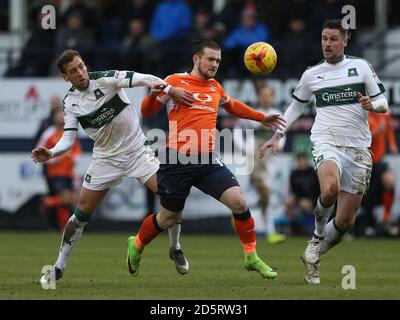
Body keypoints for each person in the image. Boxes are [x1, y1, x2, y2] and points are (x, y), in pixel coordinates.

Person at [126, 38, 285, 279]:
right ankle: (136, 244)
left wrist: (261, 118)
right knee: (168, 217)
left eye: (218, 61)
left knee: (240, 202)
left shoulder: (215, 87)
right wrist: (151, 95)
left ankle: (251, 256)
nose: (214, 65)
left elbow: (232, 106)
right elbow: (148, 111)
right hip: (177, 160)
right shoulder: (174, 82)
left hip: (208, 160)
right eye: (210, 59)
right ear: (196, 59)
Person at [33, 49, 194, 284]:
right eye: (73, 71)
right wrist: (52, 152)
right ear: (65, 77)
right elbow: (68, 138)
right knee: (80, 216)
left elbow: (147, 79)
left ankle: (175, 247)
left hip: (138, 152)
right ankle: (58, 267)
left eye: (81, 66)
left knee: (172, 195)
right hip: (105, 159)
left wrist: (169, 89)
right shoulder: (71, 102)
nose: (80, 73)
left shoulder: (107, 79)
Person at [260, 19, 389, 284]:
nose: (327, 44)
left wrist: (371, 104)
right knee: (329, 189)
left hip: (357, 149)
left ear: (345, 40)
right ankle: (317, 236)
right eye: (324, 38)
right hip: (325, 140)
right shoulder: (311, 74)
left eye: (332, 39)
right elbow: (296, 107)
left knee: (344, 223)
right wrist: (277, 135)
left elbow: (383, 102)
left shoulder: (360, 67)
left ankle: (314, 254)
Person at [234, 84, 286, 244]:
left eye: (268, 94)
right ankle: (268, 229)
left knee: (265, 194)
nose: (265, 97)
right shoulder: (252, 114)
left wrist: (280, 144)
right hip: (255, 158)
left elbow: (283, 132)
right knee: (263, 191)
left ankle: (245, 216)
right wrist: (244, 148)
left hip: (270, 159)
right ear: (259, 96)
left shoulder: (277, 114)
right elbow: (236, 129)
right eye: (263, 94)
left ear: (272, 96)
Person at [36, 107, 81, 231]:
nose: (61, 117)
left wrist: (72, 158)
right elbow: (39, 150)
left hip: (69, 172)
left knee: (67, 201)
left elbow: (76, 151)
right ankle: (48, 203)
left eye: (63, 114)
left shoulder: (70, 132)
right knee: (66, 198)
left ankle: (62, 225)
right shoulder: (49, 133)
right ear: (54, 117)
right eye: (59, 114)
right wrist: (55, 158)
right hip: (56, 172)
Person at [361, 112, 398, 236]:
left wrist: (392, 144)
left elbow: (389, 130)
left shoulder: (384, 114)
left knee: (391, 183)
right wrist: (377, 131)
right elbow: (362, 140)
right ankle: (367, 225)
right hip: (363, 161)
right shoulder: (363, 115)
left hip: (379, 161)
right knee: (366, 195)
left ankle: (385, 219)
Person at [286, 152, 320, 236]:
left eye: (303, 160)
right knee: (289, 204)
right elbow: (294, 190)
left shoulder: (314, 172)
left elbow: (319, 190)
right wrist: (300, 200)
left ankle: (317, 229)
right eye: (300, 161)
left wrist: (311, 201)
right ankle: (294, 228)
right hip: (301, 199)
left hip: (315, 199)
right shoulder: (294, 173)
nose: (302, 163)